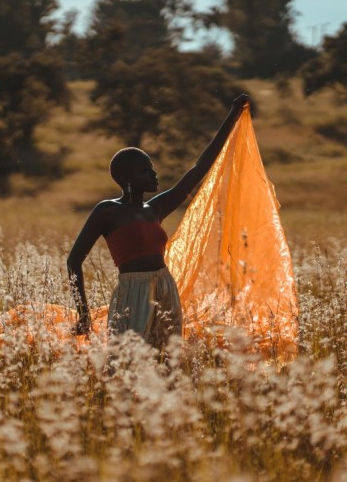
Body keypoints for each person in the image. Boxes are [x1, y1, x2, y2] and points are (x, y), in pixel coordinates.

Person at [66, 93, 250, 349]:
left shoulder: (155, 208)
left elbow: (199, 168)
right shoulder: (107, 211)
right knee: (126, 362)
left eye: (152, 167)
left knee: (166, 360)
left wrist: (232, 116)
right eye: (146, 170)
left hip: (165, 287)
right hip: (132, 292)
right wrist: (83, 313)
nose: (154, 174)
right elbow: (74, 260)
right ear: (126, 177)